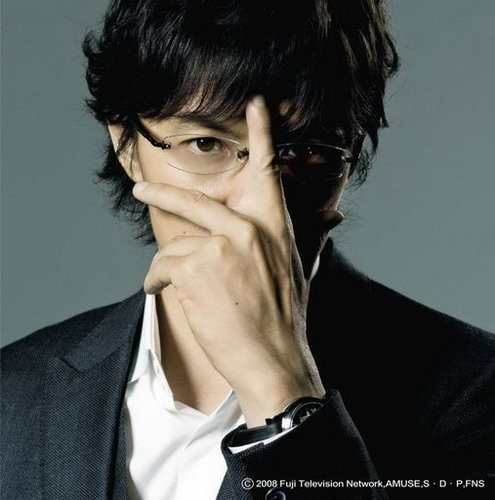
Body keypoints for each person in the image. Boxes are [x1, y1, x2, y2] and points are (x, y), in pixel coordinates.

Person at [1, 1, 493, 499]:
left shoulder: (475, 391)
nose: (258, 205)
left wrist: (282, 389)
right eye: (206, 144)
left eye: (304, 152)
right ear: (126, 143)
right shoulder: (13, 393)